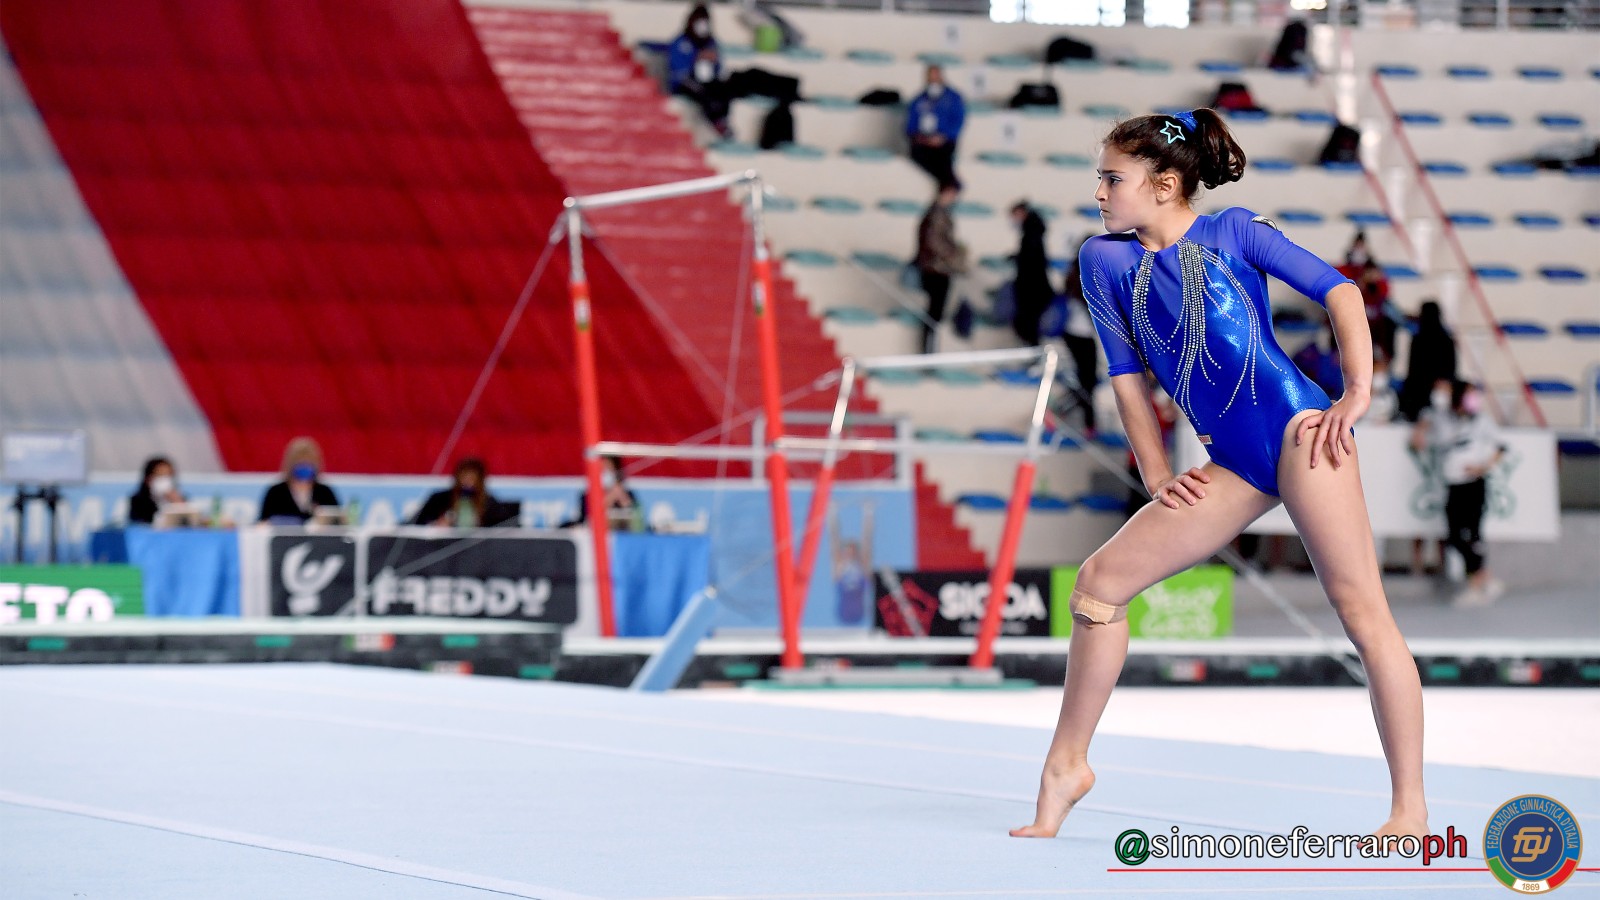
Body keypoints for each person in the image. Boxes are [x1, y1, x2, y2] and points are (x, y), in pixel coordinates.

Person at [1011, 109, 1427, 843]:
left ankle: (1410, 809)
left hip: (1301, 434)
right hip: (1232, 461)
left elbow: (1341, 292)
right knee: (1099, 587)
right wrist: (1156, 471)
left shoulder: (1234, 232)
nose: (1099, 193)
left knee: (1363, 614)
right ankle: (1066, 766)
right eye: (1100, 178)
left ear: (1165, 184)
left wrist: (1356, 393)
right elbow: (1126, 377)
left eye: (1113, 179)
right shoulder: (1102, 261)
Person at [1414, 380, 1507, 606]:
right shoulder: (1442, 418)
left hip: (1474, 483)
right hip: (1454, 484)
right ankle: (1483, 577)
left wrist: (1482, 467)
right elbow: (1424, 425)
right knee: (1455, 535)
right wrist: (1421, 430)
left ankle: (1476, 583)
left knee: (1473, 534)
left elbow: (1500, 447)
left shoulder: (1481, 421)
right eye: (1468, 395)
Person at [914, 180, 967, 354]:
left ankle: (930, 349)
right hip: (936, 268)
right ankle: (928, 350)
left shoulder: (939, 213)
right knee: (934, 312)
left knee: (936, 313)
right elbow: (934, 241)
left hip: (938, 268)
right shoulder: (936, 214)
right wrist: (953, 255)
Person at [667, 4, 732, 138]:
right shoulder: (681, 42)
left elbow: (719, 68)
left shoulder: (711, 43)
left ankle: (723, 120)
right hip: (684, 81)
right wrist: (696, 59)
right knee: (702, 92)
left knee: (725, 89)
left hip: (707, 79)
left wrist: (713, 62)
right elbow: (678, 70)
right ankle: (716, 122)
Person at [1335, 232, 1397, 365]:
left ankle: (1382, 360)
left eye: (1362, 247)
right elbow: (1339, 293)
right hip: (1350, 313)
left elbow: (1385, 293)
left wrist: (1376, 280)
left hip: (1374, 318)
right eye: (1357, 246)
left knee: (1388, 323)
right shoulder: (1343, 269)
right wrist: (1360, 282)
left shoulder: (1375, 270)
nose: (1359, 251)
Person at [411, 458, 518, 528]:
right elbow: (414, 524)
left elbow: (506, 529)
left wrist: (480, 524)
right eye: (464, 477)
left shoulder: (489, 504)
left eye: (472, 478)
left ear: (480, 480)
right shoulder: (439, 500)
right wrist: (435, 525)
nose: (467, 482)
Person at [1396, 300, 1457, 425]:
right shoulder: (1447, 340)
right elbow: (1451, 369)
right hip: (1433, 390)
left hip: (1423, 392)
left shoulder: (1418, 339)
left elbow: (1412, 369)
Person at [1058, 260, 1100, 434]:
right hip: (1082, 337)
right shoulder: (1085, 284)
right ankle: (1089, 422)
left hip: (1071, 334)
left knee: (1084, 380)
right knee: (1087, 382)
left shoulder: (1071, 280)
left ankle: (1084, 418)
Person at [905, 65, 964, 186]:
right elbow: (910, 124)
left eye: (935, 77)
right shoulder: (919, 100)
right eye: (930, 77)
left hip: (944, 142)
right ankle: (950, 186)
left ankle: (949, 186)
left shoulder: (953, 98)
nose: (933, 80)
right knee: (919, 154)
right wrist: (921, 138)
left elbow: (957, 121)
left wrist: (942, 137)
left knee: (943, 159)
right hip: (922, 142)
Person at [258, 437, 338, 523]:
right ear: (290, 464)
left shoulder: (325, 492)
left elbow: (338, 522)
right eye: (300, 462)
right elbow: (263, 522)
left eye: (309, 462)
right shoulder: (275, 493)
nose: (304, 466)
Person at [1010, 201, 1054, 346]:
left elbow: (1030, 261)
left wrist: (1019, 259)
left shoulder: (1031, 233)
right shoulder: (1034, 231)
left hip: (1032, 287)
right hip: (1035, 287)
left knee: (1030, 324)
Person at [565, 456, 646, 532]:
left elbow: (637, 521)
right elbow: (587, 518)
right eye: (601, 469)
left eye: (608, 468)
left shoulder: (627, 494)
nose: (605, 472)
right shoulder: (587, 496)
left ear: (616, 470)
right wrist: (610, 498)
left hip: (621, 535)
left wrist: (623, 498)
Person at [128, 456, 184, 525]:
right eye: (160, 475)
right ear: (148, 479)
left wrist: (178, 504)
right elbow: (140, 522)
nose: (165, 480)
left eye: (168, 475)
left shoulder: (182, 500)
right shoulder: (137, 502)